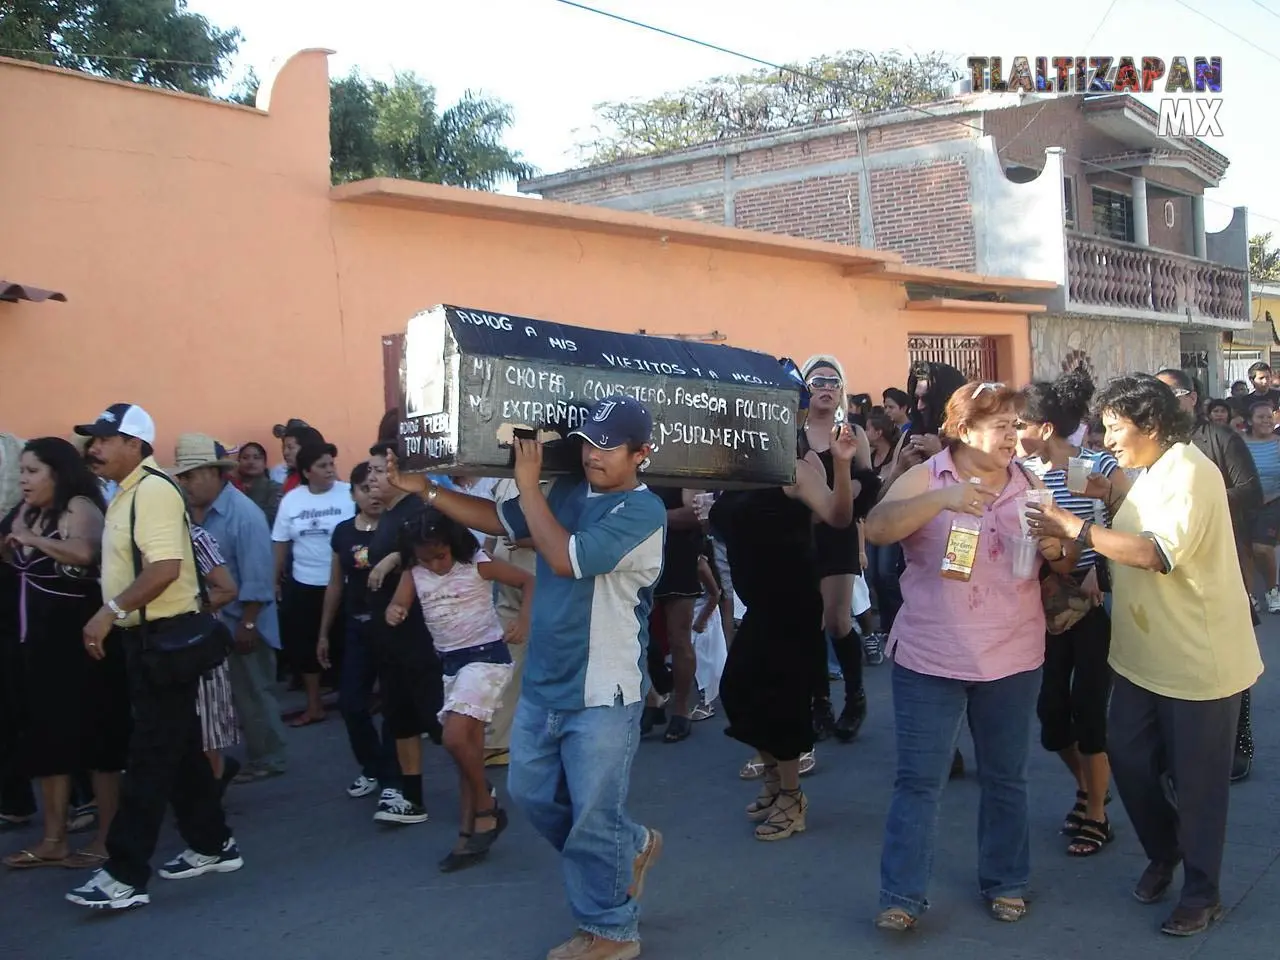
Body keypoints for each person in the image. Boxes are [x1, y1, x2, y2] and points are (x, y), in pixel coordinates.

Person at [387, 394, 665, 960]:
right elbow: (501, 520)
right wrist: (426, 491)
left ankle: (612, 931)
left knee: (591, 817)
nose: (592, 454)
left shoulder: (644, 512)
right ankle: (627, 847)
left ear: (641, 453)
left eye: (609, 446)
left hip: (603, 690)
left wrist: (529, 485)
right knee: (533, 795)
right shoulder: (566, 491)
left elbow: (564, 557)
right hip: (545, 679)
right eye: (588, 443)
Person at [1029, 375, 1263, 937]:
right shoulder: (1148, 472)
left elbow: (1155, 553)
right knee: (1130, 763)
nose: (1106, 440)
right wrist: (1112, 499)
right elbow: (1141, 523)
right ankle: (1166, 849)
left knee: (1198, 786)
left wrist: (1075, 527)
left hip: (1197, 660)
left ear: (1152, 425)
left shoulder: (1189, 471)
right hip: (1140, 656)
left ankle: (1202, 893)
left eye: (1115, 427)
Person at [865, 382, 1074, 931]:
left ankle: (1006, 881)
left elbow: (1064, 559)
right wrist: (942, 499)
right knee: (919, 781)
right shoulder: (928, 476)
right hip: (930, 655)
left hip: (1012, 655)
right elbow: (877, 529)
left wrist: (1056, 547)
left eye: (1016, 425)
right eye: (1001, 426)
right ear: (963, 430)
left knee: (1006, 777)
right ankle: (901, 896)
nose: (1013, 436)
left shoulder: (1029, 482)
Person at [66, 403, 241, 911]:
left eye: (105, 439)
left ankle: (124, 873)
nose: (95, 448)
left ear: (135, 444)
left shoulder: (153, 491)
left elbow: (164, 568)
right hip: (148, 640)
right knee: (180, 749)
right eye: (94, 440)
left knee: (148, 758)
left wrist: (109, 611)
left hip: (164, 638)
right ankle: (213, 843)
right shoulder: (126, 492)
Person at [706, 408, 859, 842]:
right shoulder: (736, 474)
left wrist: (842, 465)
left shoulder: (793, 469)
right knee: (738, 691)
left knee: (782, 698)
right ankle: (775, 778)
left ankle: (792, 796)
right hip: (759, 604)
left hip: (791, 601)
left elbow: (838, 517)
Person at [0, 438, 128, 871]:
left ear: (58, 472)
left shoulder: (79, 506)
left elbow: (86, 552)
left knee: (99, 741)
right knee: (47, 741)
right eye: (21, 471)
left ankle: (109, 836)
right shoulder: (26, 511)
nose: (23, 479)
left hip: (84, 646)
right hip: (37, 647)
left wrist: (32, 539)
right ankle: (53, 839)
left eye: (33, 471)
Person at [1016, 372, 1128, 856]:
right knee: (1051, 714)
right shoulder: (1021, 471)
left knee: (1089, 708)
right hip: (1044, 600)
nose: (1013, 433)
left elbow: (1131, 522)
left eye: (1019, 424)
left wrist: (1100, 570)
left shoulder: (1095, 464)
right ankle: (1088, 786)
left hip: (1096, 600)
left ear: (1044, 427)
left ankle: (1097, 812)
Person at [386, 508, 533, 872]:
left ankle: (486, 805)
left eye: (440, 556)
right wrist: (395, 610)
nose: (435, 565)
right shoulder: (414, 571)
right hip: (452, 665)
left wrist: (524, 619)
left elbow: (530, 582)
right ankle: (469, 835)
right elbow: (400, 601)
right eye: (426, 559)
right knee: (469, 750)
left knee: (453, 738)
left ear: (453, 543)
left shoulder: (477, 564)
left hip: (486, 658)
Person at [1155, 369, 1263, 784]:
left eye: (1173, 393)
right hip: (1169, 560)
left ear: (1193, 398)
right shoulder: (1154, 443)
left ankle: (1239, 744)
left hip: (1223, 557)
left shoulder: (1220, 438)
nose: (1165, 400)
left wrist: (1200, 502)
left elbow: (1250, 491)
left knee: (1230, 652)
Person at [173, 434, 287, 784]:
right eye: (183, 476)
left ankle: (268, 757)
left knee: (253, 691)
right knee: (228, 695)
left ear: (213, 473)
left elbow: (258, 576)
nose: (185, 483)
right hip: (213, 620)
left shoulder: (244, 515)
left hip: (243, 619)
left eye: (191, 475)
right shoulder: (190, 511)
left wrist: (248, 624)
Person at [800, 355, 880, 741]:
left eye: (834, 382)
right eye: (818, 381)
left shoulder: (852, 432)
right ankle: (819, 702)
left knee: (837, 621)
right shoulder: (793, 432)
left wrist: (837, 496)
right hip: (801, 535)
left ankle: (854, 696)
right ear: (805, 387)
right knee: (809, 623)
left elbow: (869, 481)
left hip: (840, 533)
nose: (826, 388)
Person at [318, 462, 399, 798]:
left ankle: (394, 779)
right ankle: (372, 766)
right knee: (351, 703)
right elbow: (335, 584)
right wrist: (324, 632)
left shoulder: (397, 528)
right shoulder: (343, 532)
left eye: (376, 485)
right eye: (365, 488)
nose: (373, 494)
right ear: (353, 494)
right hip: (356, 627)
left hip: (394, 627)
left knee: (394, 705)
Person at [272, 441, 354, 727]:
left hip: (345, 584)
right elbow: (280, 542)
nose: (330, 469)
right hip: (305, 583)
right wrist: (275, 580)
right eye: (322, 465)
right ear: (307, 472)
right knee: (305, 647)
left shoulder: (349, 494)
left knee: (347, 644)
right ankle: (314, 705)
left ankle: (353, 700)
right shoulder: (292, 500)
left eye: (331, 463)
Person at [1239, 401, 1280, 612]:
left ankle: (1272, 590)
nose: (1266, 421)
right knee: (1245, 549)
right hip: (1244, 502)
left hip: (1272, 501)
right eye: (1260, 417)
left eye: (1269, 417)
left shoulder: (1278, 443)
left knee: (1262, 548)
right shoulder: (1239, 443)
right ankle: (1249, 595)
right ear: (1250, 420)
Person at [231, 442, 282, 527]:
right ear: (238, 462)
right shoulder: (231, 488)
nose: (251, 462)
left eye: (257, 458)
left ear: (265, 463)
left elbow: (271, 517)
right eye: (245, 458)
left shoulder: (275, 488)